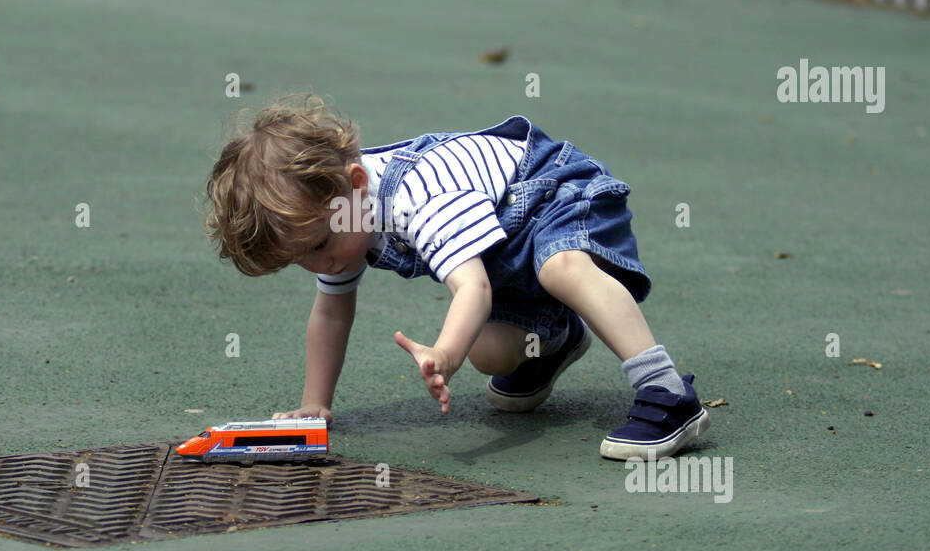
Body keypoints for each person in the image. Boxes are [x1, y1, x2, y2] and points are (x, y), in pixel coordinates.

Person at [203, 93, 708, 460]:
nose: (322, 265)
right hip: (505, 254)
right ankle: (552, 341)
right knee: (490, 353)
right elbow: (331, 311)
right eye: (302, 260)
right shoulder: (344, 215)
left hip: (555, 196)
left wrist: (444, 352)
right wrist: (315, 404)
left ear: (356, 184)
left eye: (319, 247)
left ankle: (665, 393)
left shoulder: (417, 199)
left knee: (561, 266)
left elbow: (474, 288)